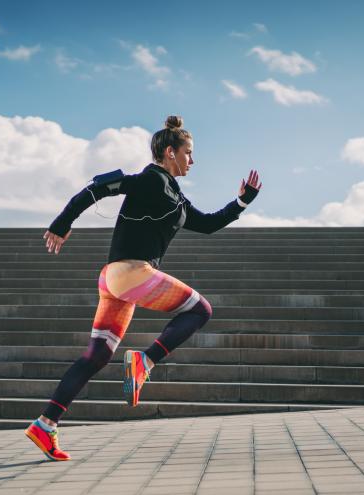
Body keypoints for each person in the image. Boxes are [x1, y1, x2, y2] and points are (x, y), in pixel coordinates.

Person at [25, 115, 262, 461]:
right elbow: (94, 189)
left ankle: (46, 424)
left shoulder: (175, 196)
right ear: (170, 152)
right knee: (200, 310)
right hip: (131, 272)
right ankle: (144, 362)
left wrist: (242, 202)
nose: (192, 161)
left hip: (115, 281)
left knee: (98, 355)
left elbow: (209, 224)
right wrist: (62, 223)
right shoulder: (149, 180)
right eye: (189, 153)